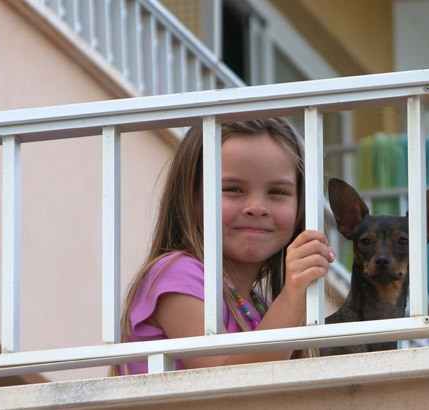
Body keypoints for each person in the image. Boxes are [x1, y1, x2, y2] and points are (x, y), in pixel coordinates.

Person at [115, 118, 334, 375]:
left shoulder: (260, 304)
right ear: (190, 196)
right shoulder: (176, 274)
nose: (257, 208)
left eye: (277, 191)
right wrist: (292, 298)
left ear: (301, 205)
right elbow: (225, 383)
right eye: (232, 189)